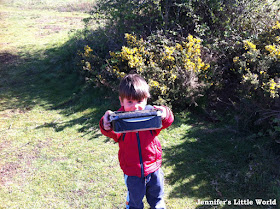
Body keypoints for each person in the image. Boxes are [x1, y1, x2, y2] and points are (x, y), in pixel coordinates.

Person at [99, 74, 174, 209]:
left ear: (146, 99)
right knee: (135, 203)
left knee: (157, 200)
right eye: (130, 102)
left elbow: (168, 121)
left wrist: (164, 112)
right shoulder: (119, 121)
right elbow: (108, 130)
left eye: (139, 101)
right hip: (132, 171)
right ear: (121, 101)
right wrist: (105, 121)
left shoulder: (151, 115)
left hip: (154, 168)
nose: (135, 107)